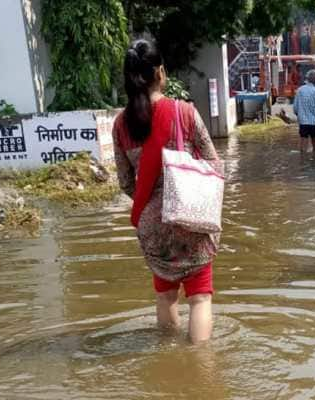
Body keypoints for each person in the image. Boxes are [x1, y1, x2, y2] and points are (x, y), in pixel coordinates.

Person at [112, 39, 222, 342]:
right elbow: (213, 163)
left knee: (165, 297)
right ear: (160, 72)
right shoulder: (184, 113)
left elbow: (125, 182)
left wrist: (153, 204)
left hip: (152, 223)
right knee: (200, 298)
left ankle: (167, 355)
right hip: (190, 217)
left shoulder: (121, 125)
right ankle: (200, 367)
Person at [293, 69, 315, 154]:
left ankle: (303, 164)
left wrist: (300, 116)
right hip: (314, 123)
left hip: (303, 123)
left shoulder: (299, 90)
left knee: (303, 145)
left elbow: (295, 108)